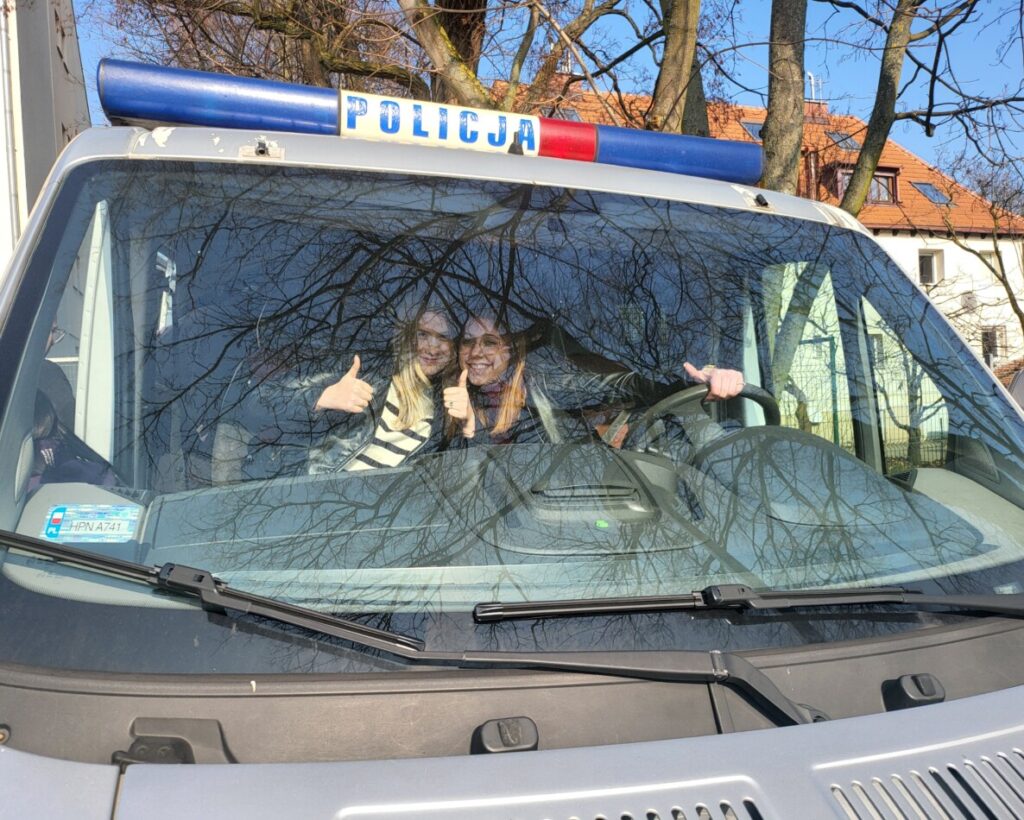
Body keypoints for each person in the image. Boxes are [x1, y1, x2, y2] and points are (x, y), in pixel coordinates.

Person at [442, 313, 745, 445]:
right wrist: (467, 425)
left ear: (509, 349)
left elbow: (625, 382)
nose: (476, 352)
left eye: (490, 342)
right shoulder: (443, 393)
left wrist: (697, 383)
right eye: (468, 342)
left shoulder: (543, 385)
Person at [313, 306, 464, 470]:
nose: (433, 347)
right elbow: (291, 400)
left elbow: (462, 465)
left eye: (443, 337)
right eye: (422, 334)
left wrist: (467, 423)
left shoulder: (445, 404)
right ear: (404, 338)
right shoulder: (368, 380)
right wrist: (320, 399)